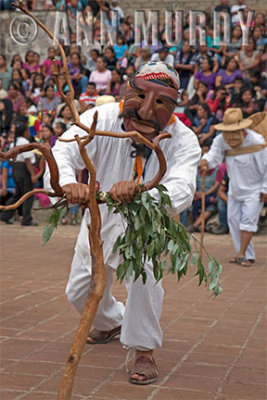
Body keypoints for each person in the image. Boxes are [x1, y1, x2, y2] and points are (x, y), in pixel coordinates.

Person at [45, 61, 201, 385]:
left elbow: (183, 186)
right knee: (79, 292)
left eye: (160, 103)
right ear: (126, 90)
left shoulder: (183, 138)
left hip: (143, 227)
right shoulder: (98, 119)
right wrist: (66, 184)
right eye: (141, 97)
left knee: (144, 283)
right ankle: (113, 321)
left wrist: (144, 194)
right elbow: (63, 150)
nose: (145, 111)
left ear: (173, 105)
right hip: (97, 223)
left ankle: (143, 349)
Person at [199, 108, 267, 267]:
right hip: (235, 188)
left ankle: (242, 254)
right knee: (234, 220)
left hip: (255, 190)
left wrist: (265, 189)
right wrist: (205, 162)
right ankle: (245, 254)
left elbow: (266, 167)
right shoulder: (221, 140)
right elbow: (214, 155)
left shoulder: (257, 141)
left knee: (248, 221)